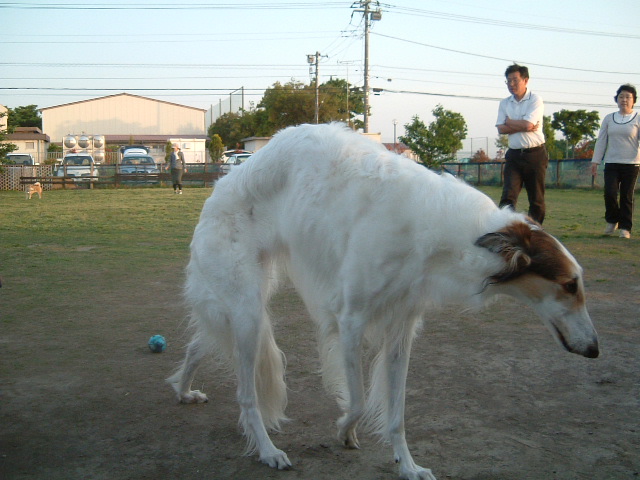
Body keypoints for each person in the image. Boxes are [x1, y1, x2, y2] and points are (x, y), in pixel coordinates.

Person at [496, 64, 548, 224]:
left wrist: (510, 122)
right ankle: (504, 229)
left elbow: (527, 125)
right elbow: (501, 128)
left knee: (536, 198)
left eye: (515, 80)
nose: (511, 84)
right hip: (514, 155)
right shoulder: (505, 103)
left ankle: (535, 230)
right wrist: (524, 125)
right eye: (508, 81)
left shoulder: (535, 100)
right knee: (508, 196)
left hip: (535, 154)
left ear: (525, 80)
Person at [591, 84, 640, 238]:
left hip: (631, 164)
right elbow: (601, 141)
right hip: (611, 163)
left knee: (626, 196)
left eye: (628, 97)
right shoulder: (609, 118)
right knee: (610, 193)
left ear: (633, 100)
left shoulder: (638, 118)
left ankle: (625, 228)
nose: (624, 100)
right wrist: (595, 161)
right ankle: (612, 221)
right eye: (621, 97)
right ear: (616, 99)